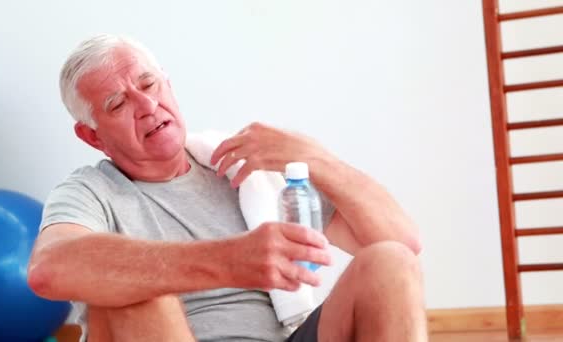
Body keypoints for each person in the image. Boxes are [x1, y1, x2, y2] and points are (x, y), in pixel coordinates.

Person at [27, 34, 427, 342]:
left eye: (149, 85)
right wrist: (229, 259)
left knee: (389, 262)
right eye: (118, 104)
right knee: (136, 296)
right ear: (92, 136)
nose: (147, 106)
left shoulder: (244, 170)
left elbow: (401, 240)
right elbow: (49, 268)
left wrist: (315, 158)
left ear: (168, 85)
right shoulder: (89, 191)